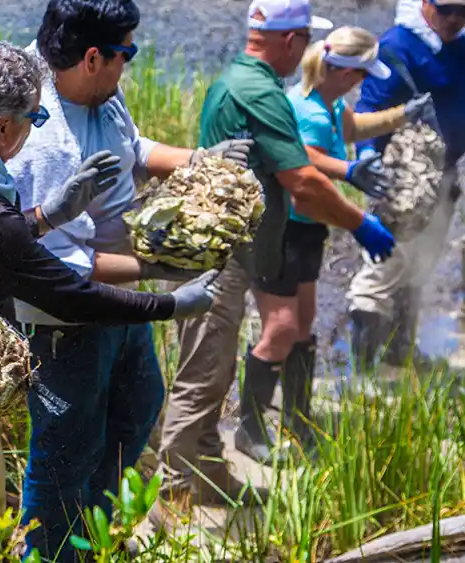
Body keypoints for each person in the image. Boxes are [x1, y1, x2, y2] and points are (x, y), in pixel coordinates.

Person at [0, 40, 218, 552]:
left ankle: (86, 537)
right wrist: (170, 303)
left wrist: (48, 215)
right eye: (35, 118)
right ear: (3, 129)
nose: (39, 128)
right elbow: (70, 297)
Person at [0, 1, 252, 558]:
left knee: (139, 402)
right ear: (93, 56)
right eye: (125, 56)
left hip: (117, 296)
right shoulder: (40, 142)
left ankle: (95, 530)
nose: (127, 68)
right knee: (67, 445)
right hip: (67, 316)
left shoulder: (97, 91)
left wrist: (200, 161)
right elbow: (64, 268)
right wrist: (161, 270)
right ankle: (50, 550)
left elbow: (132, 149)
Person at [151, 0, 399, 531]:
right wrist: (360, 223)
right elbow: (302, 179)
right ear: (290, 40)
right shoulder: (261, 90)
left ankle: (212, 473)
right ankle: (174, 502)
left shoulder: (237, 80)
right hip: (221, 255)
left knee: (214, 373)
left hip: (230, 248)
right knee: (200, 378)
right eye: (304, 38)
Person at [234, 26, 437, 465]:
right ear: (338, 69)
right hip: (283, 228)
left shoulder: (328, 102)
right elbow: (305, 160)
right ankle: (249, 429)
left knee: (305, 323)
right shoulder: (305, 109)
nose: (361, 83)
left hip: (308, 229)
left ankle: (298, 417)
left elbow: (354, 125)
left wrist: (404, 115)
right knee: (282, 328)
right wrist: (349, 170)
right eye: (358, 74)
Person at [346, 0, 465, 375]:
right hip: (401, 181)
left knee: (420, 268)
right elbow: (367, 110)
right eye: (447, 10)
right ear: (426, 4)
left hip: (443, 176)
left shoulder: (459, 44)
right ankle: (363, 375)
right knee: (383, 270)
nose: (455, 19)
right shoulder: (398, 46)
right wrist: (368, 162)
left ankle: (400, 356)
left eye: (464, 11)